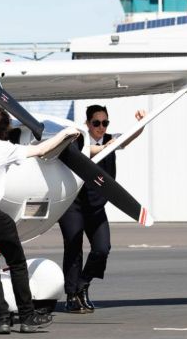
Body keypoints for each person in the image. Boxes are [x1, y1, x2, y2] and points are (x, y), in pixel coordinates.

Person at [0, 104, 80, 334]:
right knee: (17, 263)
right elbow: (41, 150)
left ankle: (1, 319)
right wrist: (66, 133)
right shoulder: (2, 148)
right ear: (4, 128)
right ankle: (27, 317)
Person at [59, 104, 146, 314]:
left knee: (102, 248)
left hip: (96, 207)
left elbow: (130, 137)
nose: (101, 127)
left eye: (105, 123)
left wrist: (141, 122)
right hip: (74, 205)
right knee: (73, 247)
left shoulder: (110, 140)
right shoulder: (78, 140)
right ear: (87, 124)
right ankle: (72, 296)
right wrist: (108, 147)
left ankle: (83, 284)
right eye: (96, 123)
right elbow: (81, 152)